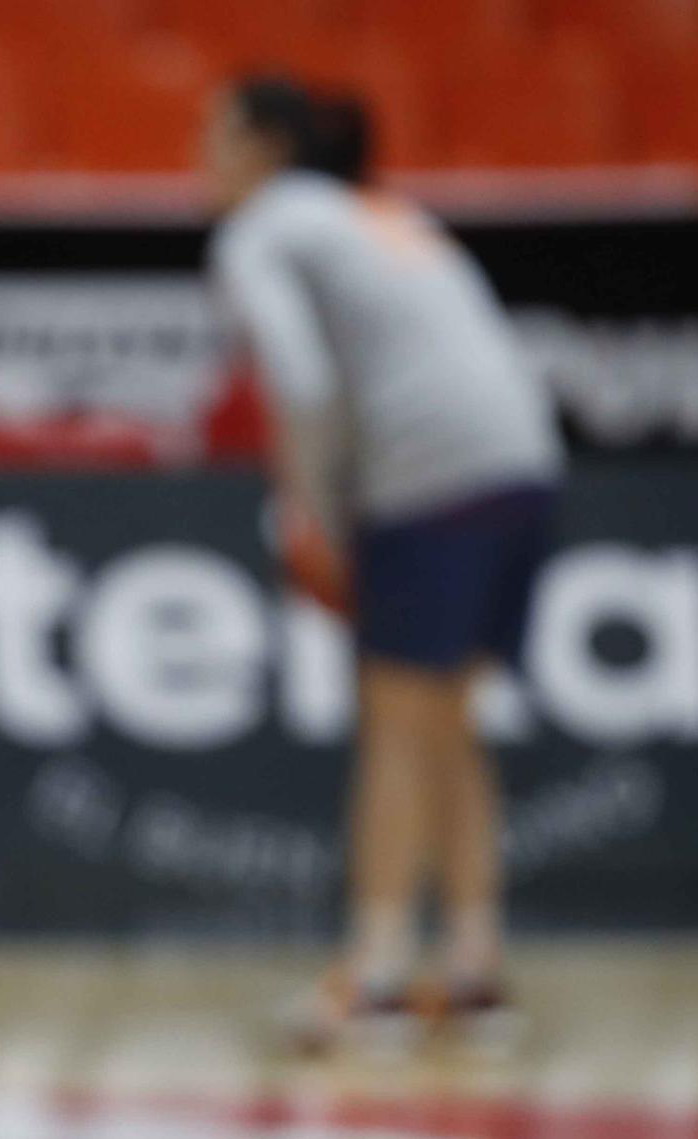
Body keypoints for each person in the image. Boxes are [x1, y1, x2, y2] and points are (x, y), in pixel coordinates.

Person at [201, 76, 565, 1051]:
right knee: (444, 716)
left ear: (264, 146)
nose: (201, 154)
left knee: (396, 721)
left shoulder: (262, 228)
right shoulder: (385, 213)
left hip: (426, 473)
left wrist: (308, 511)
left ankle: (372, 970)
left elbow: (301, 377)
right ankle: (475, 965)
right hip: (521, 458)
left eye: (216, 132)